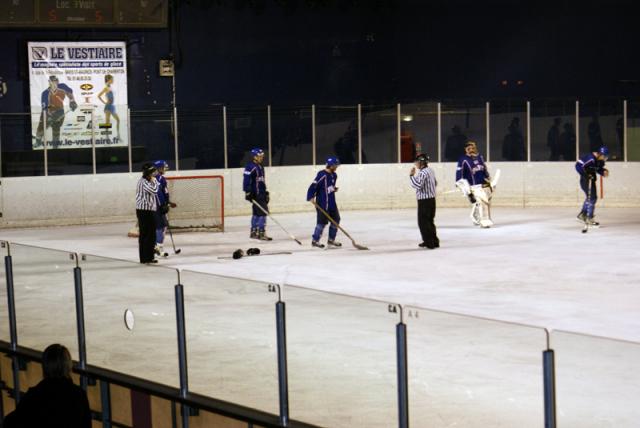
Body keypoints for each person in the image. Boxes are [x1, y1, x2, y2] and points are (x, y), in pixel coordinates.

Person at [3, 344, 91, 428]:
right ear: (68, 366)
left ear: (44, 366)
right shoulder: (79, 396)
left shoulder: (34, 395)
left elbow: (9, 423)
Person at [455, 141, 494, 228]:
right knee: (482, 202)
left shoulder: (480, 157)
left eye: (473, 148)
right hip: (472, 187)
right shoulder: (463, 160)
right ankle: (484, 222)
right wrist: (464, 188)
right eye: (469, 148)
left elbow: (484, 169)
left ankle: (476, 218)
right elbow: (459, 176)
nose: (471, 150)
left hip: (483, 185)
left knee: (481, 203)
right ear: (465, 150)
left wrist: (488, 178)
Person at [307, 156, 341, 248]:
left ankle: (331, 240)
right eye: (335, 165)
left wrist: (333, 189)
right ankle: (315, 240)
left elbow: (328, 187)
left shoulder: (334, 175)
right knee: (321, 223)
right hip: (322, 204)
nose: (337, 167)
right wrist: (310, 196)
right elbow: (313, 185)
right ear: (331, 166)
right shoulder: (322, 175)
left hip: (332, 203)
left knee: (336, 220)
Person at [35, 75, 77, 148]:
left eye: (55, 81)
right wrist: (50, 116)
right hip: (47, 113)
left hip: (59, 111)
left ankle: (55, 146)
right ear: (49, 82)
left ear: (57, 81)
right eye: (52, 81)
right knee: (41, 129)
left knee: (56, 129)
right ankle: (38, 141)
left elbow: (69, 92)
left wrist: (72, 101)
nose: (54, 83)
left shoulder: (62, 86)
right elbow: (45, 107)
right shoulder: (45, 93)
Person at [409, 153, 439, 249]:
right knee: (430, 221)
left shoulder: (423, 173)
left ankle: (429, 242)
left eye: (417, 162)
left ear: (422, 162)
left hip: (424, 201)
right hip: (431, 200)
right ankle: (434, 241)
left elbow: (417, 185)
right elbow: (435, 183)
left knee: (423, 222)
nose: (416, 164)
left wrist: (411, 176)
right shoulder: (430, 170)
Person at [575, 146, 610, 226]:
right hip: (585, 180)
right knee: (592, 198)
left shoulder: (600, 161)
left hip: (591, 180)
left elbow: (598, 169)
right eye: (604, 156)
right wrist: (586, 174)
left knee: (591, 198)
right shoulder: (591, 158)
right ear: (600, 154)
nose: (605, 158)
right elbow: (578, 165)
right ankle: (589, 218)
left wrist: (603, 171)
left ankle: (583, 215)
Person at [243, 148, 272, 240]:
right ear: (254, 157)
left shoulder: (261, 167)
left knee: (256, 213)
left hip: (261, 193)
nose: (261, 158)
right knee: (263, 213)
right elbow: (246, 180)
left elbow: (261, 181)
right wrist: (247, 191)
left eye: (262, 156)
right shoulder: (250, 167)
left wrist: (265, 192)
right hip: (256, 194)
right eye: (259, 156)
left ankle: (254, 232)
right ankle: (261, 233)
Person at [136, 163, 159, 263]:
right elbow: (154, 191)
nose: (153, 175)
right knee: (146, 234)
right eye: (151, 173)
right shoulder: (143, 182)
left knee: (149, 234)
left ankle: (148, 257)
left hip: (147, 211)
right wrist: (156, 182)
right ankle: (146, 258)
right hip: (144, 211)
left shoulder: (147, 181)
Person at [153, 160, 177, 257]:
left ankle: (156, 247)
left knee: (159, 227)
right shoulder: (161, 179)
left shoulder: (153, 178)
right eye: (163, 167)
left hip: (156, 207)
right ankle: (159, 248)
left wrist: (168, 203)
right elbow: (163, 193)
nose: (165, 169)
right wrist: (166, 204)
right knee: (161, 227)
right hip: (159, 207)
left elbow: (163, 193)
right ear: (159, 168)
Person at [97, 74, 121, 139]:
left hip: (112, 106)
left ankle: (117, 135)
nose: (113, 80)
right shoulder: (106, 87)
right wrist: (105, 102)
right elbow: (98, 95)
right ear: (109, 79)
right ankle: (106, 136)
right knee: (108, 121)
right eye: (112, 79)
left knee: (117, 120)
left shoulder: (110, 86)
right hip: (108, 106)